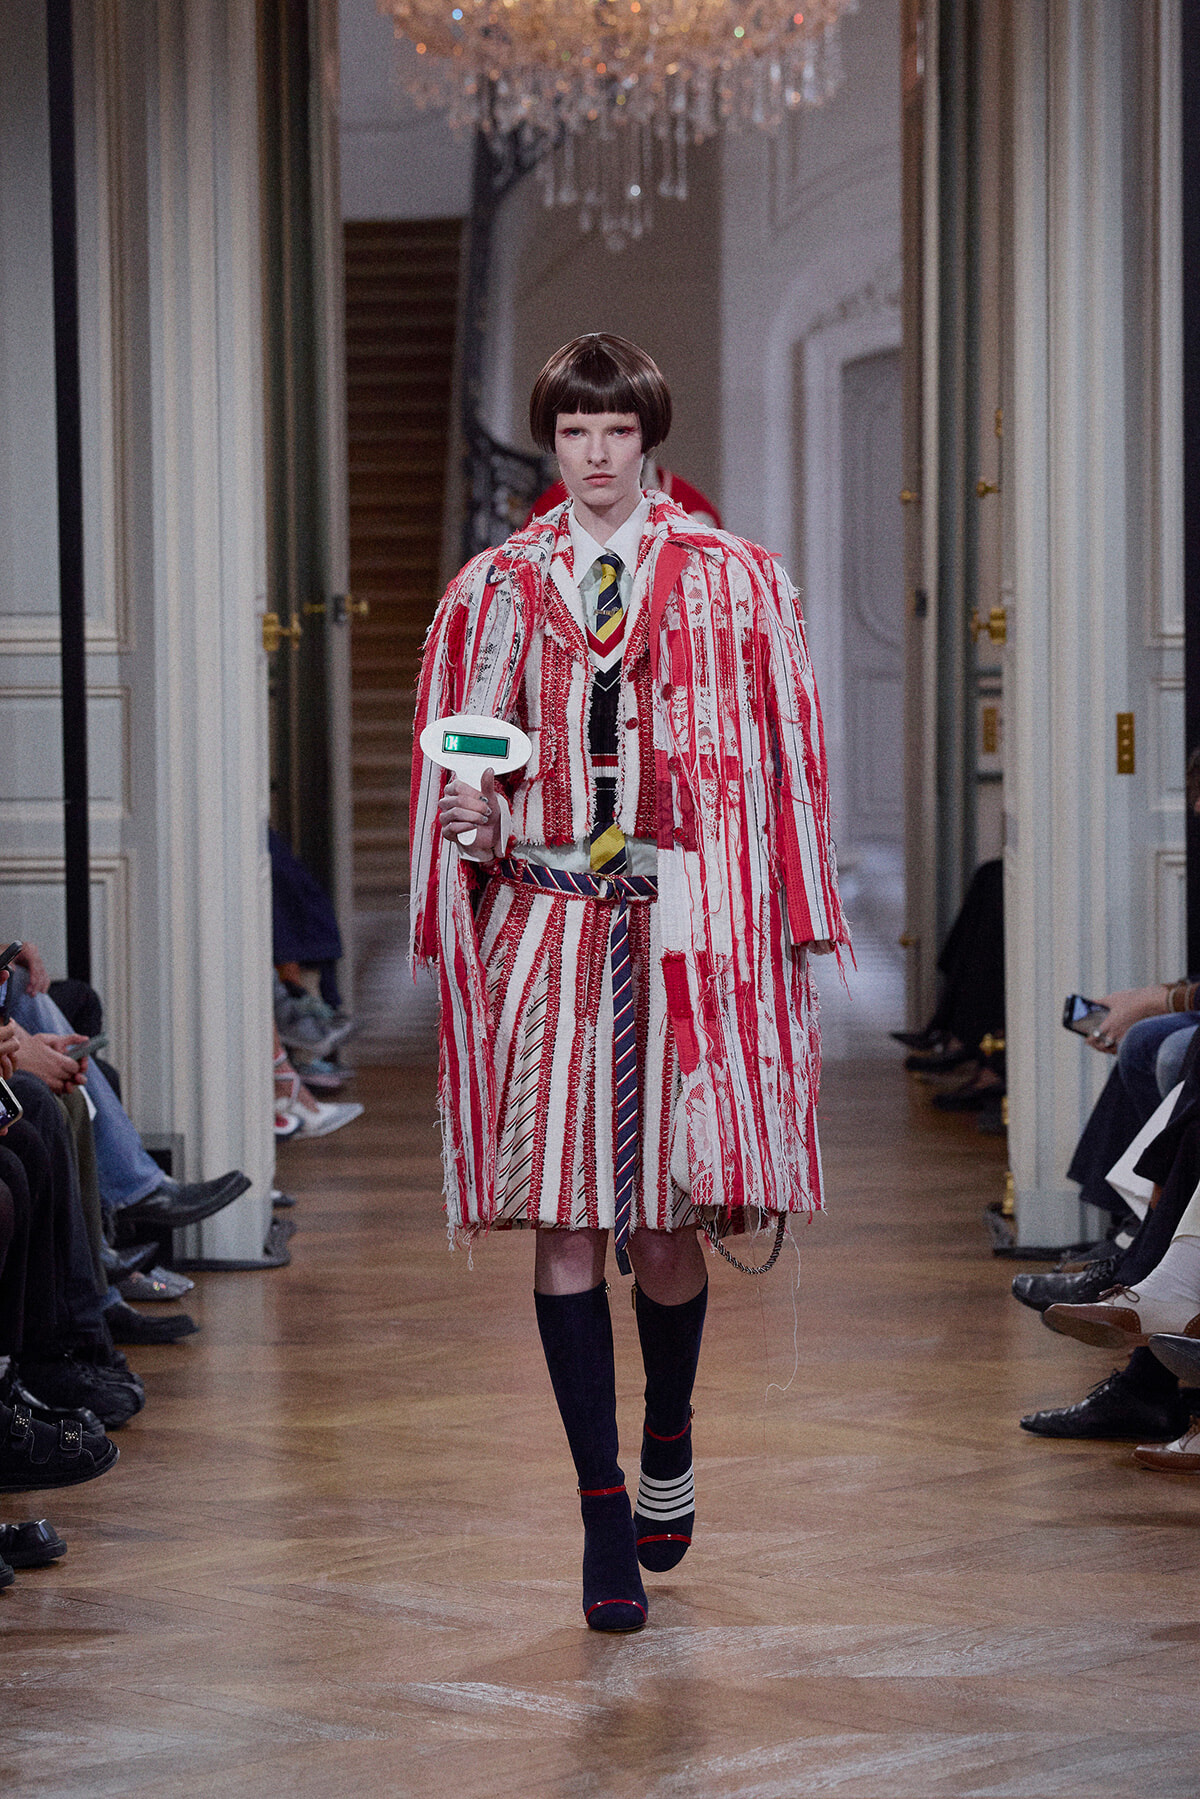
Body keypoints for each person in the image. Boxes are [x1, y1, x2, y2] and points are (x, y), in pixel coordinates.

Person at [411, 334, 846, 1632]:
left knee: (662, 1229)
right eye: (574, 434)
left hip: (684, 926)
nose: (595, 457)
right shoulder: (495, 592)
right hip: (547, 918)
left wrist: (780, 936)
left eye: (616, 433)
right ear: (550, 444)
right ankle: (602, 1512)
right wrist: (474, 828)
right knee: (563, 1227)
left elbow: (781, 765)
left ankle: (669, 1426)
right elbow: (468, 774)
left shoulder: (734, 585)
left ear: (648, 438)